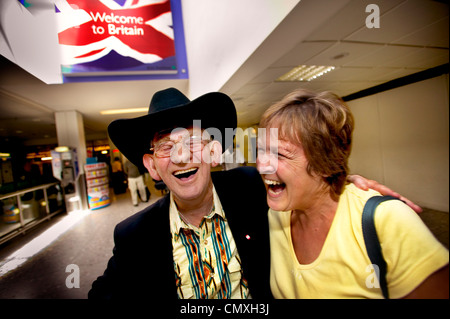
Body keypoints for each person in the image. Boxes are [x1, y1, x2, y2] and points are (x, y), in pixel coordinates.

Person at [89, 88, 421, 300]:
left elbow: (303, 184)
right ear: (151, 166)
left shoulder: (252, 190)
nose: (181, 156)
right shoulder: (134, 235)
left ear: (215, 151)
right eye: (166, 147)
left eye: (192, 142)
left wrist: (346, 186)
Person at [256, 88, 449, 299]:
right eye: (261, 151)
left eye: (279, 154)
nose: (260, 165)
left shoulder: (388, 220)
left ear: (324, 163)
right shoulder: (277, 214)